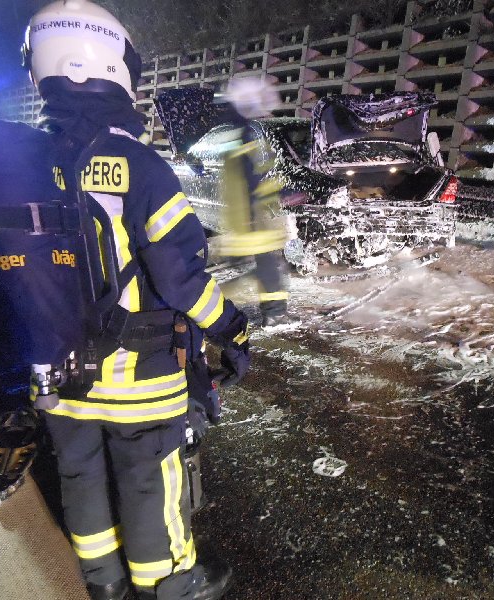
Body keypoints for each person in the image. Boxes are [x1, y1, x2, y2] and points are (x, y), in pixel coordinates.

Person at [18, 2, 250, 599]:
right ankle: (169, 583)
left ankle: (103, 581)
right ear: (113, 66)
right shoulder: (139, 165)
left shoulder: (26, 161)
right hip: (138, 376)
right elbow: (181, 280)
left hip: (57, 369)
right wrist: (232, 329)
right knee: (151, 481)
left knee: (80, 476)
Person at [212, 76, 294, 327]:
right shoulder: (246, 135)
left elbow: (252, 176)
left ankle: (271, 310)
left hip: (248, 216)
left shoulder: (240, 132)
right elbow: (252, 179)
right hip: (253, 217)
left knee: (264, 267)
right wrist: (279, 191)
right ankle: (274, 313)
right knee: (268, 269)